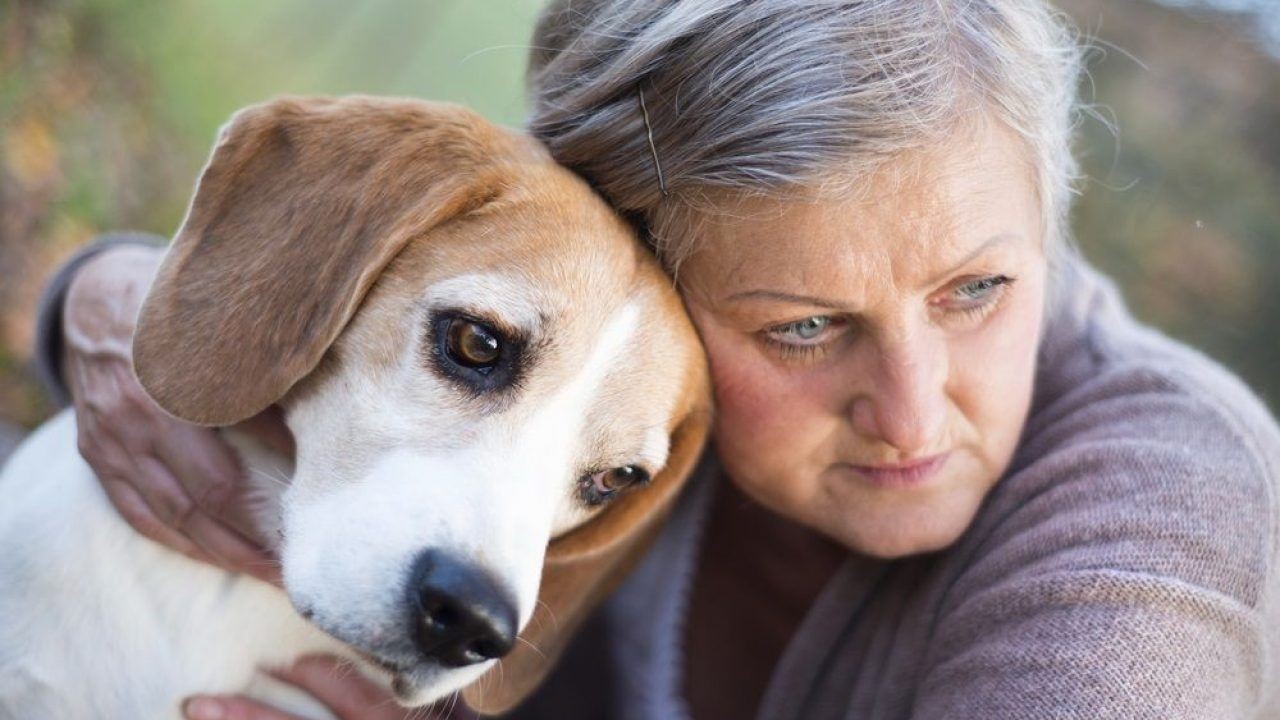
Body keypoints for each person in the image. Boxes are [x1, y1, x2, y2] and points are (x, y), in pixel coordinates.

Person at [29, 1, 1280, 718]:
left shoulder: (1162, 521)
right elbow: (444, 241)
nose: (912, 412)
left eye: (979, 289)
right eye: (801, 324)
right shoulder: (609, 337)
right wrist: (117, 293)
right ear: (644, 259)